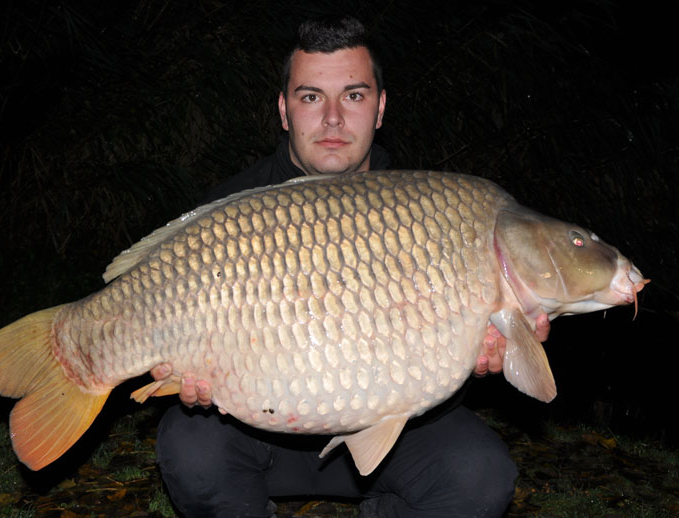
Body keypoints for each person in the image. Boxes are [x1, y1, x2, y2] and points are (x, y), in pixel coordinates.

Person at [151, 16, 550, 517]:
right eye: (312, 96)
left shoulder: (429, 210)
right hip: (261, 435)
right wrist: (193, 381)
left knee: (481, 476)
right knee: (191, 447)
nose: (334, 118)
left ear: (381, 108)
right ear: (284, 109)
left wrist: (481, 351)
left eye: (355, 96)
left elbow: (444, 353)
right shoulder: (232, 213)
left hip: (395, 439)